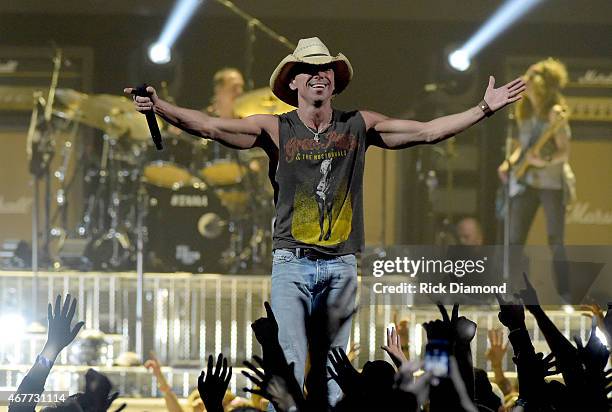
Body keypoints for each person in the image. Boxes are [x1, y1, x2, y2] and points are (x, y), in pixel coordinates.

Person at [125, 36, 525, 404]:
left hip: (341, 265)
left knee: (335, 377)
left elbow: (427, 132)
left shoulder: (358, 124)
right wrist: (160, 107)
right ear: (294, 82)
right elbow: (210, 127)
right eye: (310, 70)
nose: (319, 76)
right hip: (292, 264)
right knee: (290, 367)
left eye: (326, 70)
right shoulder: (275, 128)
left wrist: (484, 107)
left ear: (334, 83)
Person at [497, 58, 572, 298]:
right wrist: (509, 162)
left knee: (556, 240)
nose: (524, 82)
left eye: (530, 78)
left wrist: (544, 161)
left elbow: (564, 152)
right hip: (525, 182)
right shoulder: (525, 111)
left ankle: (566, 296)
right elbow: (524, 145)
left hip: (551, 183)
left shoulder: (554, 113)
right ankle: (512, 293)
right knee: (514, 238)